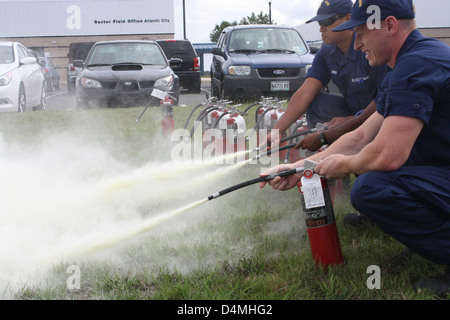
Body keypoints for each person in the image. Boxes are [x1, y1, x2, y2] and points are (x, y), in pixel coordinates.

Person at [260, 0, 450, 297]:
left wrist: (344, 165)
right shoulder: (409, 61)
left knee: (371, 188)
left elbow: (388, 154)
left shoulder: (416, 65)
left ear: (389, 25)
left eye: (362, 34)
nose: (358, 44)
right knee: (380, 176)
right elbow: (363, 135)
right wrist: (301, 168)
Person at [264, 0, 387, 150]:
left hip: (380, 117)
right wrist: (278, 130)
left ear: (348, 19)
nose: (321, 29)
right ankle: (329, 156)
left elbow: (386, 98)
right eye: (319, 23)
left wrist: (350, 121)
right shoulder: (327, 51)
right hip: (353, 112)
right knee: (317, 102)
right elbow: (305, 92)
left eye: (326, 22)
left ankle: (354, 156)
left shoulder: (368, 48)